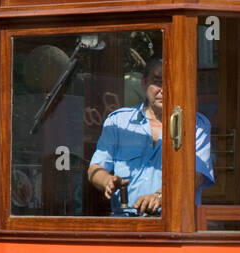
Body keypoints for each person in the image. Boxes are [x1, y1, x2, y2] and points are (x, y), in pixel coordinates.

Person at [87, 58, 214, 214]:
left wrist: (160, 196)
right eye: (157, 81)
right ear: (144, 82)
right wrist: (107, 181)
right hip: (126, 221)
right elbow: (95, 168)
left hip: (175, 221)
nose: (163, 88)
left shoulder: (196, 124)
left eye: (170, 81)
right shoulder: (118, 122)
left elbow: (196, 176)